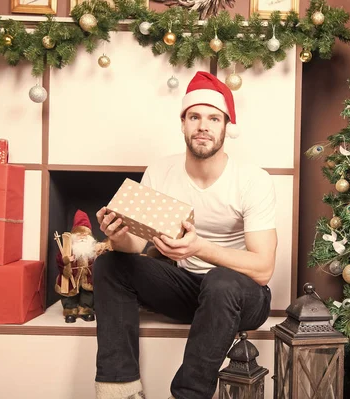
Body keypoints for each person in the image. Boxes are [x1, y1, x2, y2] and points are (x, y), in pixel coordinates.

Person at [93, 71, 278, 399]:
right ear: (182, 123)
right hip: (189, 291)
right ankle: (119, 389)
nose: (203, 126)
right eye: (194, 117)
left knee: (220, 281)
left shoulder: (253, 180)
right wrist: (117, 234)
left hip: (243, 296)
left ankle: (188, 395)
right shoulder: (161, 171)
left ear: (225, 126)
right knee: (110, 264)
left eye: (213, 118)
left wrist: (200, 247)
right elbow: (135, 245)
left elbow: (263, 268)